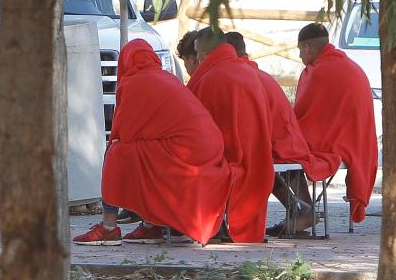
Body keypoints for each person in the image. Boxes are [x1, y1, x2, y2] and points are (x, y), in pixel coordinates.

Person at [72, 39, 231, 246]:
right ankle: (154, 224)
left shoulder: (133, 82)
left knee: (116, 153)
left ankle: (109, 227)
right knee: (143, 153)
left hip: (186, 149)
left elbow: (123, 134)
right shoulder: (167, 77)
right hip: (209, 148)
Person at [225, 32, 340, 236]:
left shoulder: (240, 76)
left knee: (251, 160)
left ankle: (302, 210)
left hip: (281, 144)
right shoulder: (254, 74)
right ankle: (303, 208)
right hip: (289, 139)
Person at [188, 27, 273, 243]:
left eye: (198, 54)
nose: (197, 59)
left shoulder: (212, 77)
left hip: (228, 158)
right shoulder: (245, 71)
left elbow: (199, 128)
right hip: (258, 158)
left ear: (207, 52)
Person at [293, 23, 378, 224]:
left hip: (336, 144)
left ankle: (304, 211)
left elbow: (300, 117)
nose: (300, 56)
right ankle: (305, 212)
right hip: (360, 146)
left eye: (300, 50)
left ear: (307, 47)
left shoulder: (316, 71)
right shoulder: (349, 65)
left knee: (279, 151)